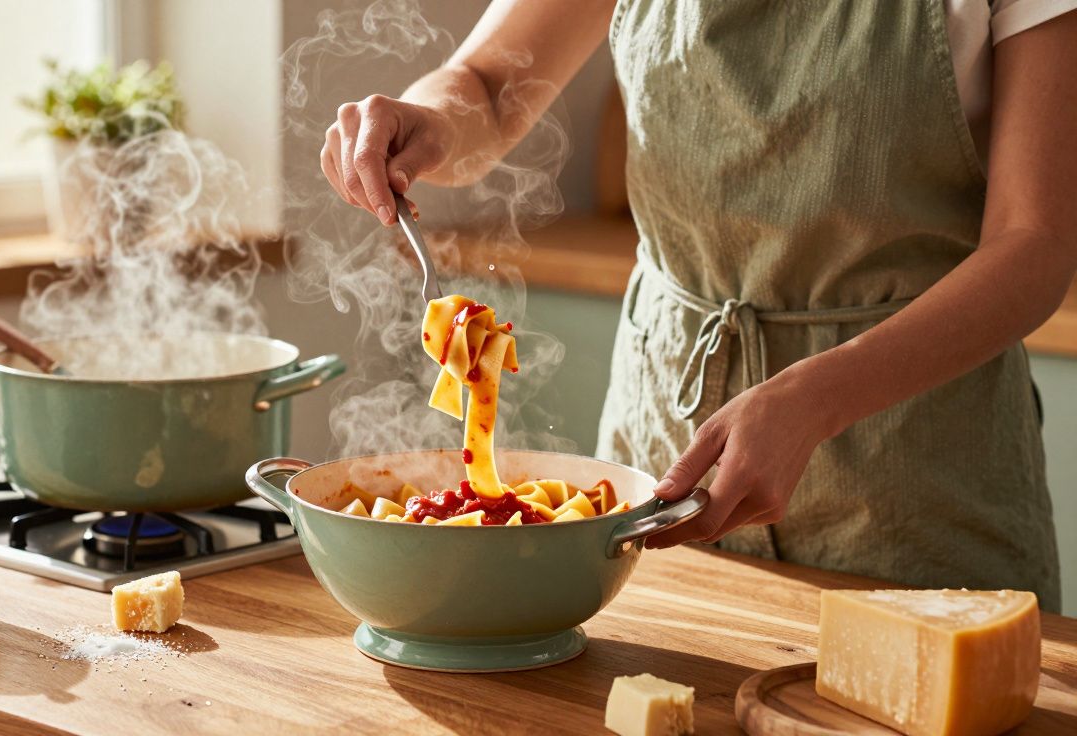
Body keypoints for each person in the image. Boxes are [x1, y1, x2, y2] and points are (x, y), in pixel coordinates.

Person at [319, 0, 1076, 611]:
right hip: (668, 447)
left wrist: (814, 397)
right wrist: (430, 117)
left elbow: (1035, 243)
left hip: (918, 470)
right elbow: (486, 82)